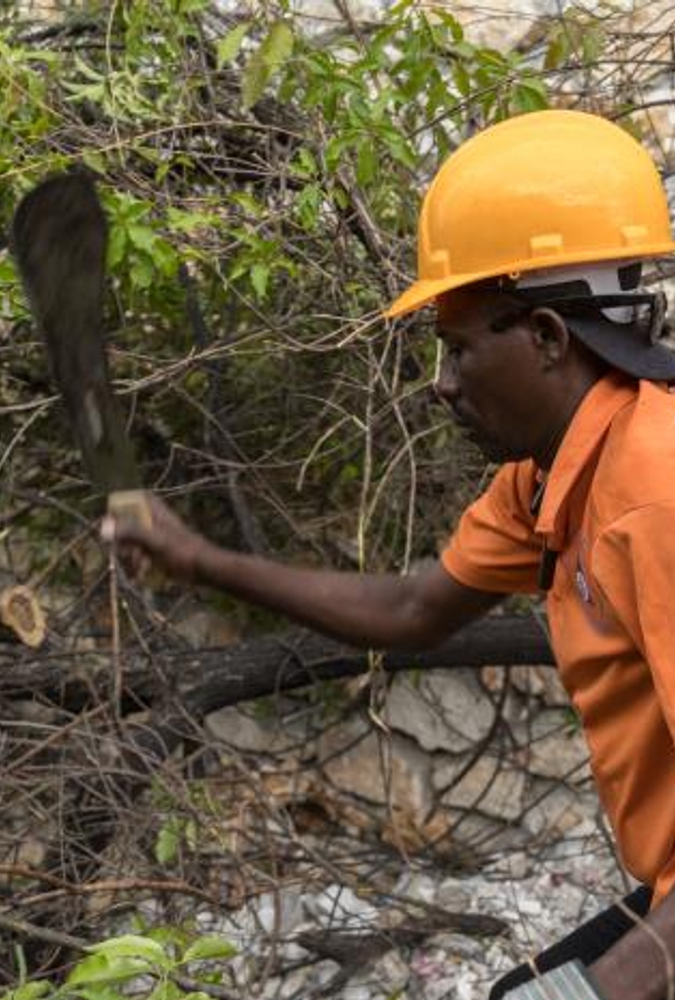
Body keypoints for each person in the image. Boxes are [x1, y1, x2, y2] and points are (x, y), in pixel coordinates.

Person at [103, 109, 675, 1000]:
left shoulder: (656, 498)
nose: (441, 385)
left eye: (457, 348)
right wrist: (197, 558)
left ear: (548, 340)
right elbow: (415, 610)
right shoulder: (555, 471)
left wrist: (597, 994)